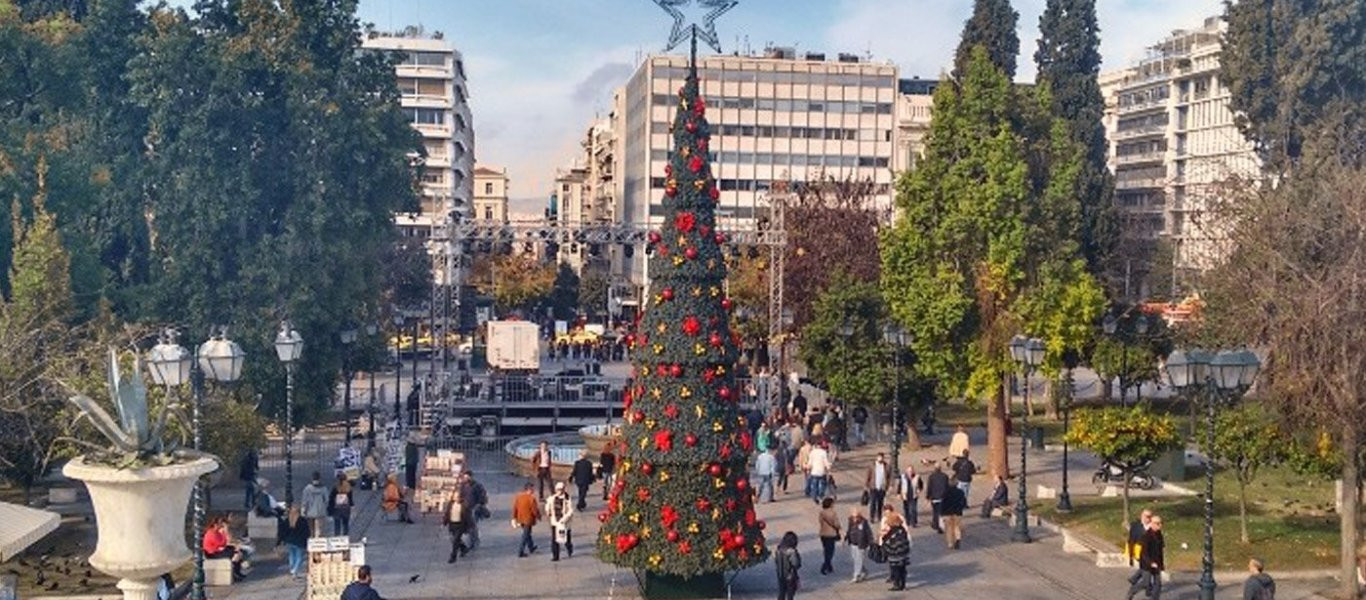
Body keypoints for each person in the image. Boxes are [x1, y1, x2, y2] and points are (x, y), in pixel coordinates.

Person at [1126, 515, 1165, 600]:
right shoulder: (1146, 536)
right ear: (1152, 524)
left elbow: (1160, 551)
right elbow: (1144, 554)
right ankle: (1132, 591)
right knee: (1145, 583)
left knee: (1158, 584)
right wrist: (1151, 563)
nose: (1160, 525)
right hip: (1146, 564)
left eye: (1161, 523)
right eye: (1158, 523)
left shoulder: (1159, 535)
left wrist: (1161, 564)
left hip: (1156, 562)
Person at [202, 516, 247, 581]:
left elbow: (223, 543)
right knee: (235, 554)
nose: (221, 527)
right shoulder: (211, 533)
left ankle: (237, 572)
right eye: (221, 525)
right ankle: (234, 573)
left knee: (237, 551)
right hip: (212, 554)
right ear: (216, 524)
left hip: (217, 551)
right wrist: (225, 532)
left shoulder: (216, 532)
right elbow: (221, 543)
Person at [881, 512, 912, 591]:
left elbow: (886, 540)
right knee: (902, 569)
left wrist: (883, 537)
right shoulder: (902, 529)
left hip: (894, 554)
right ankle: (903, 584)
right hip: (903, 553)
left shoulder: (892, 531)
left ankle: (897, 584)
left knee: (895, 569)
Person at [277, 505, 310, 578]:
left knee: (291, 555)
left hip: (289, 541)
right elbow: (306, 532)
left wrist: (280, 541)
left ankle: (292, 569)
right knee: (299, 557)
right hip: (299, 541)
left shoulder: (287, 520)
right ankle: (295, 570)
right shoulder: (302, 520)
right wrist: (306, 540)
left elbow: (282, 532)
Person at [545, 481, 575, 561]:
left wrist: (564, 519)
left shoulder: (567, 499)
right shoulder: (552, 498)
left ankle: (569, 548)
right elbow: (547, 506)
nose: (559, 491)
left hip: (565, 523)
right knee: (554, 539)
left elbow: (570, 511)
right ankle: (555, 556)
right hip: (555, 522)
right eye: (558, 489)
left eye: (561, 489)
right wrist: (548, 511)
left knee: (566, 539)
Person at [441, 487, 471, 563]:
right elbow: (447, 514)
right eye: (455, 497)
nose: (457, 498)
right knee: (454, 539)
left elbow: (467, 517)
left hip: (460, 525)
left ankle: (453, 556)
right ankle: (463, 548)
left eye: (458, 497)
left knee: (455, 541)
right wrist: (444, 523)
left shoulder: (464, 505)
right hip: (452, 524)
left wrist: (469, 527)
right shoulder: (450, 504)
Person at [512, 482, 541, 557]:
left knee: (528, 534)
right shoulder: (531, 499)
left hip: (520, 518)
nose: (533, 490)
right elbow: (534, 510)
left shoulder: (519, 497)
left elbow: (515, 508)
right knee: (525, 535)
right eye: (532, 488)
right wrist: (538, 516)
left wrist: (514, 517)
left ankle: (531, 547)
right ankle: (520, 551)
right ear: (529, 489)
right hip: (528, 519)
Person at [461, 472, 489, 550]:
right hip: (465, 509)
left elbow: (483, 496)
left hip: (474, 508)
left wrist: (480, 504)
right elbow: (461, 495)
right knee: (469, 526)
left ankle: (473, 542)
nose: (466, 479)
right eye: (465, 477)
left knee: (472, 526)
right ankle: (473, 540)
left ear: (471, 477)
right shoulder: (463, 485)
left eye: (467, 477)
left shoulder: (477, 486)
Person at [845, 506, 873, 583]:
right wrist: (846, 538)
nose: (855, 518)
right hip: (853, 543)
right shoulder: (850, 520)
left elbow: (868, 532)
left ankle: (856, 575)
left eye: (857, 516)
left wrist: (871, 543)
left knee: (859, 560)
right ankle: (864, 571)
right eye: (854, 516)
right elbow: (849, 530)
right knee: (855, 559)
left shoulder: (864, 522)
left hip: (861, 544)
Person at [301, 472, 329, 537]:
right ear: (319, 478)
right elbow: (326, 500)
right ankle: (317, 542)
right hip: (320, 512)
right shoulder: (323, 488)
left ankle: (311, 540)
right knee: (319, 529)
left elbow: (304, 500)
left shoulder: (307, 489)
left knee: (311, 530)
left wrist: (303, 510)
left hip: (309, 511)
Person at [817, 497, 841, 575]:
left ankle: (829, 566)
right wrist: (839, 527)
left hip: (823, 534)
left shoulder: (821, 513)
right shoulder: (833, 513)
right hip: (831, 534)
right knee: (830, 551)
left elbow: (820, 522)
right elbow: (836, 524)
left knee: (826, 550)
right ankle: (825, 566)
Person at [775, 531, 802, 600]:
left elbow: (776, 561)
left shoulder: (778, 550)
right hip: (790, 575)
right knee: (790, 594)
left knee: (781, 592)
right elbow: (796, 564)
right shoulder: (791, 551)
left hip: (780, 575)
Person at [864, 453, 890, 521]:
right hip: (873, 487)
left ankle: (879, 516)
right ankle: (872, 516)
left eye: (881, 457)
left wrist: (889, 486)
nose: (880, 459)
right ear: (876, 457)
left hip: (882, 487)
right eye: (879, 457)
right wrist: (866, 485)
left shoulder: (886, 466)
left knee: (880, 503)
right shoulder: (872, 466)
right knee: (873, 502)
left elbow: (889, 476)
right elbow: (868, 475)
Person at [941, 481, 966, 550]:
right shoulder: (960, 492)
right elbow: (964, 502)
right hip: (957, 512)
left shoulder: (945, 493)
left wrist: (941, 513)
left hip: (947, 513)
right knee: (956, 527)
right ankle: (958, 538)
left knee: (948, 528)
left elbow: (943, 504)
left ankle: (950, 543)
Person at [926, 463, 950, 533]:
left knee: (935, 512)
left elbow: (929, 487)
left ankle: (935, 524)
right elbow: (947, 487)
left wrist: (928, 496)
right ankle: (940, 525)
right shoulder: (945, 476)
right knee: (941, 512)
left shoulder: (931, 477)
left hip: (934, 497)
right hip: (943, 497)